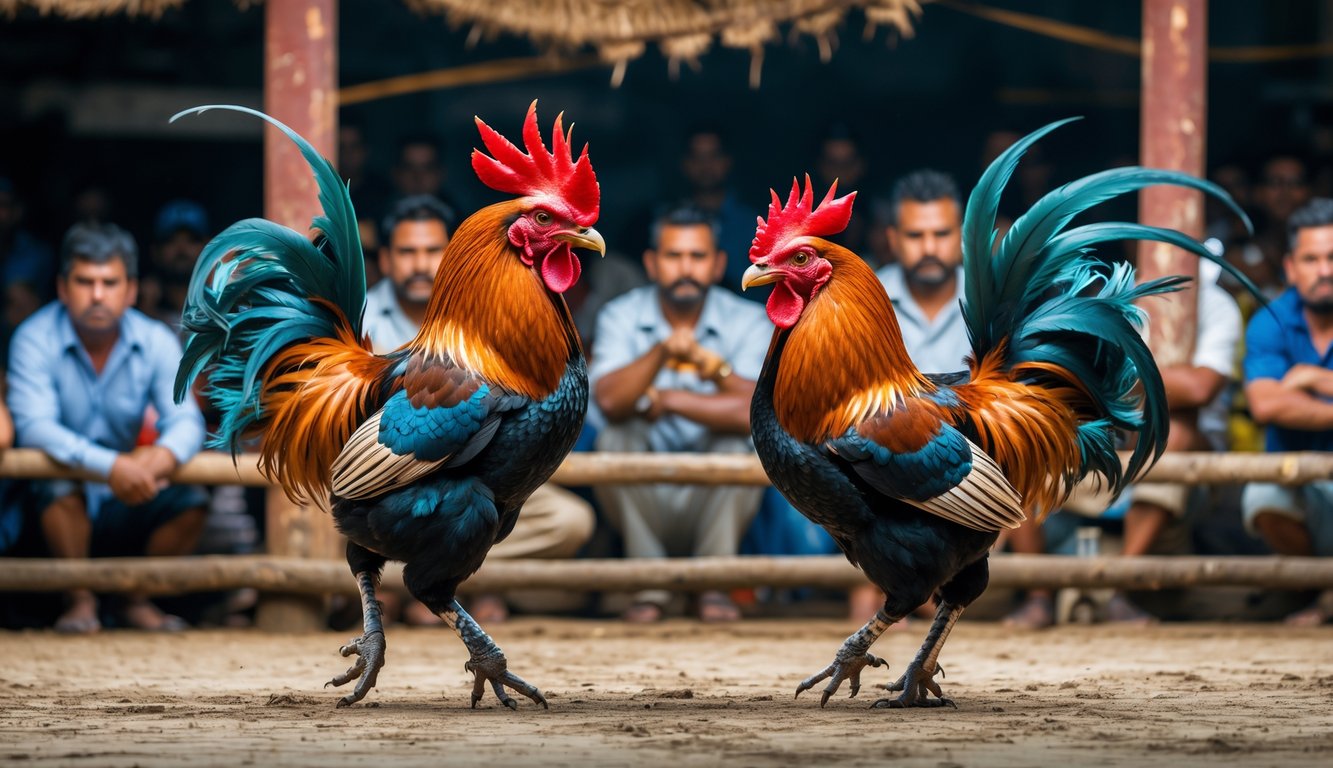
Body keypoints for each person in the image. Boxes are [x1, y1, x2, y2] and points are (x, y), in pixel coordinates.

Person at [362, 195, 595, 625]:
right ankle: (425, 590)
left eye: (431, 250)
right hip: (394, 486)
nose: (419, 263)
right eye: (544, 220)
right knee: (468, 512)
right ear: (386, 257)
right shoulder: (461, 371)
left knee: (550, 519)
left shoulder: (502, 327)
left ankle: (437, 585)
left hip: (460, 496)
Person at [6, 222, 209, 633]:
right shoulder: (33, 337)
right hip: (53, 508)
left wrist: (162, 456)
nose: (97, 294)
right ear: (63, 287)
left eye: (109, 282)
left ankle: (131, 598)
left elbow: (185, 418)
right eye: (85, 282)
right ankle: (79, 599)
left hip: (127, 495)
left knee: (191, 499)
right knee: (56, 485)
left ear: (131, 289)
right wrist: (113, 465)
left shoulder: (155, 340)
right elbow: (33, 427)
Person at [590, 206, 770, 623]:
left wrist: (672, 395)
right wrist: (664, 351)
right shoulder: (621, 314)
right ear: (652, 263)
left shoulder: (747, 319)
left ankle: (714, 583)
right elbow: (611, 402)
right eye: (673, 256)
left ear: (718, 264)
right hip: (644, 505)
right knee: (617, 436)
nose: (685, 267)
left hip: (715, 506)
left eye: (697, 256)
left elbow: (758, 411)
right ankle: (649, 586)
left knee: (739, 441)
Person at [1242, 196, 1333, 626]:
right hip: (1304, 491)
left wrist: (1314, 380)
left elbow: (1283, 398)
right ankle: (1321, 593)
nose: (1325, 271)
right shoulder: (1270, 321)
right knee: (1262, 496)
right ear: (1291, 267)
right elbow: (1266, 403)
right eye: (1312, 259)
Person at [139, 199, 210, 328]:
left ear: (208, 248)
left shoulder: (224, 299)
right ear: (155, 251)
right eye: (171, 241)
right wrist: (146, 311)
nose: (181, 249)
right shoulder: (144, 303)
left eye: (192, 240)